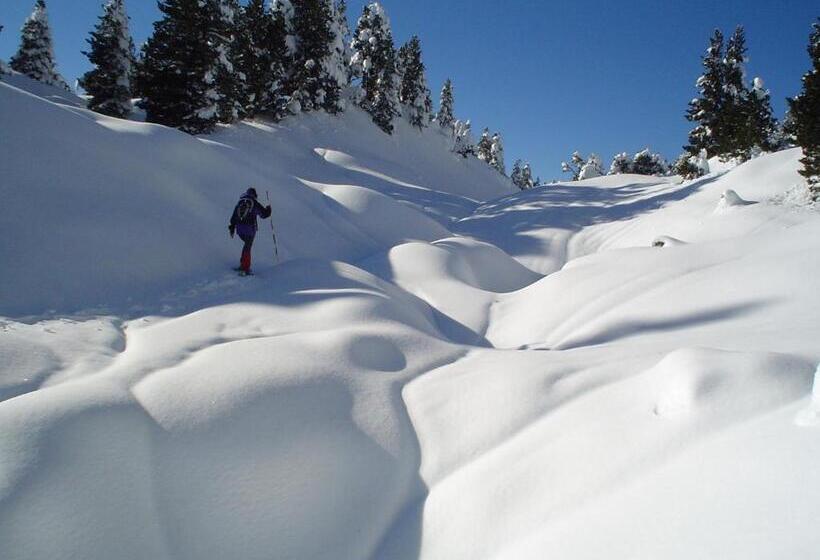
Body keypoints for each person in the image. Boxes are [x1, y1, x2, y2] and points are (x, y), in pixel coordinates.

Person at [228, 187, 271, 275]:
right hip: (250, 229)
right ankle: (245, 268)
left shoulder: (240, 202)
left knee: (246, 246)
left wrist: (232, 227)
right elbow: (264, 215)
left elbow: (234, 216)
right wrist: (269, 210)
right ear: (254, 195)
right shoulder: (254, 203)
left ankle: (243, 265)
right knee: (248, 247)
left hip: (239, 229)